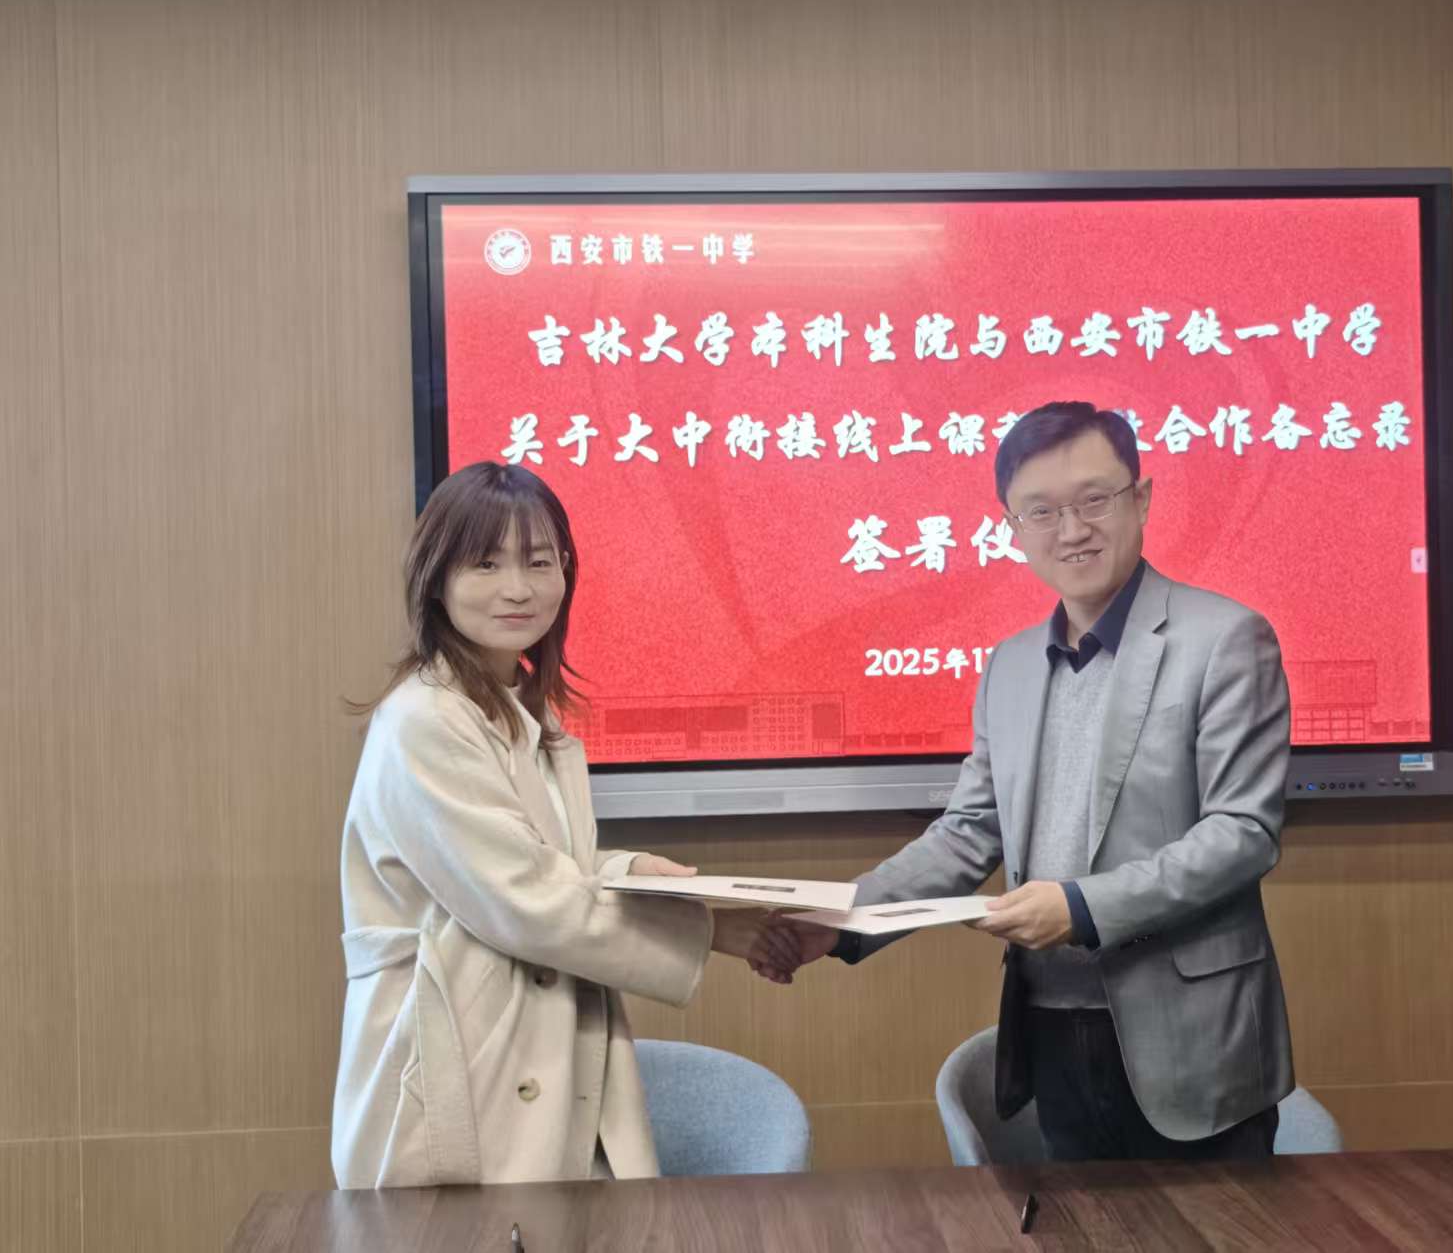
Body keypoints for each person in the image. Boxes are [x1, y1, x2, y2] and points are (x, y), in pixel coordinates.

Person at [775, 401, 1295, 1162]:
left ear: (1142, 499)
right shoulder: (1010, 665)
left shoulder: (1225, 639)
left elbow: (1242, 834)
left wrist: (1081, 907)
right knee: (1076, 1224)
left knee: (1216, 1227)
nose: (1071, 529)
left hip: (1193, 1033)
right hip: (1051, 1027)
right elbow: (967, 833)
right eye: (1041, 511)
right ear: (1012, 528)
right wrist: (843, 920)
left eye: (1095, 499)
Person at [331, 462, 795, 1188]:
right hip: (468, 1056)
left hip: (537, 1043)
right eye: (486, 563)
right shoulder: (423, 719)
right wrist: (711, 929)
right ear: (435, 578)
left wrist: (629, 870)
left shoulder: (521, 706)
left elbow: (537, 859)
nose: (518, 587)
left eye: (540, 562)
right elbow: (526, 898)